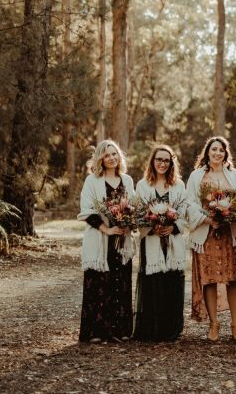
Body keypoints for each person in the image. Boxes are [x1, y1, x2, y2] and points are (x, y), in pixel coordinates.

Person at [185, 136, 236, 341]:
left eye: (221, 150)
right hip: (207, 235)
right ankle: (214, 324)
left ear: (226, 154)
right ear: (207, 152)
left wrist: (230, 214)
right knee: (210, 280)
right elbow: (190, 203)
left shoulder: (235, 175)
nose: (217, 153)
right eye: (214, 149)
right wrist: (207, 218)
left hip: (231, 235)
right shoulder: (197, 176)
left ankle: (235, 325)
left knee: (233, 279)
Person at [77, 139, 135, 343]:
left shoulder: (127, 180)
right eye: (107, 155)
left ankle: (121, 329)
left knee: (121, 282)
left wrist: (127, 223)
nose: (111, 158)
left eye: (114, 154)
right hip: (101, 238)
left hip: (122, 239)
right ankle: (97, 331)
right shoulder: (92, 181)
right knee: (100, 282)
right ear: (100, 158)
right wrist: (107, 229)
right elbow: (87, 210)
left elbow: (133, 206)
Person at [133, 144, 187, 342]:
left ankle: (170, 328)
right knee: (153, 281)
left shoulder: (178, 185)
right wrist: (152, 226)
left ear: (171, 163)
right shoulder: (142, 185)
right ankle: (152, 328)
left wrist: (173, 227)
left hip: (172, 240)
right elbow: (138, 212)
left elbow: (185, 211)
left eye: (166, 160)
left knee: (171, 280)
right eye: (159, 160)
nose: (162, 163)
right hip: (152, 240)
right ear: (152, 162)